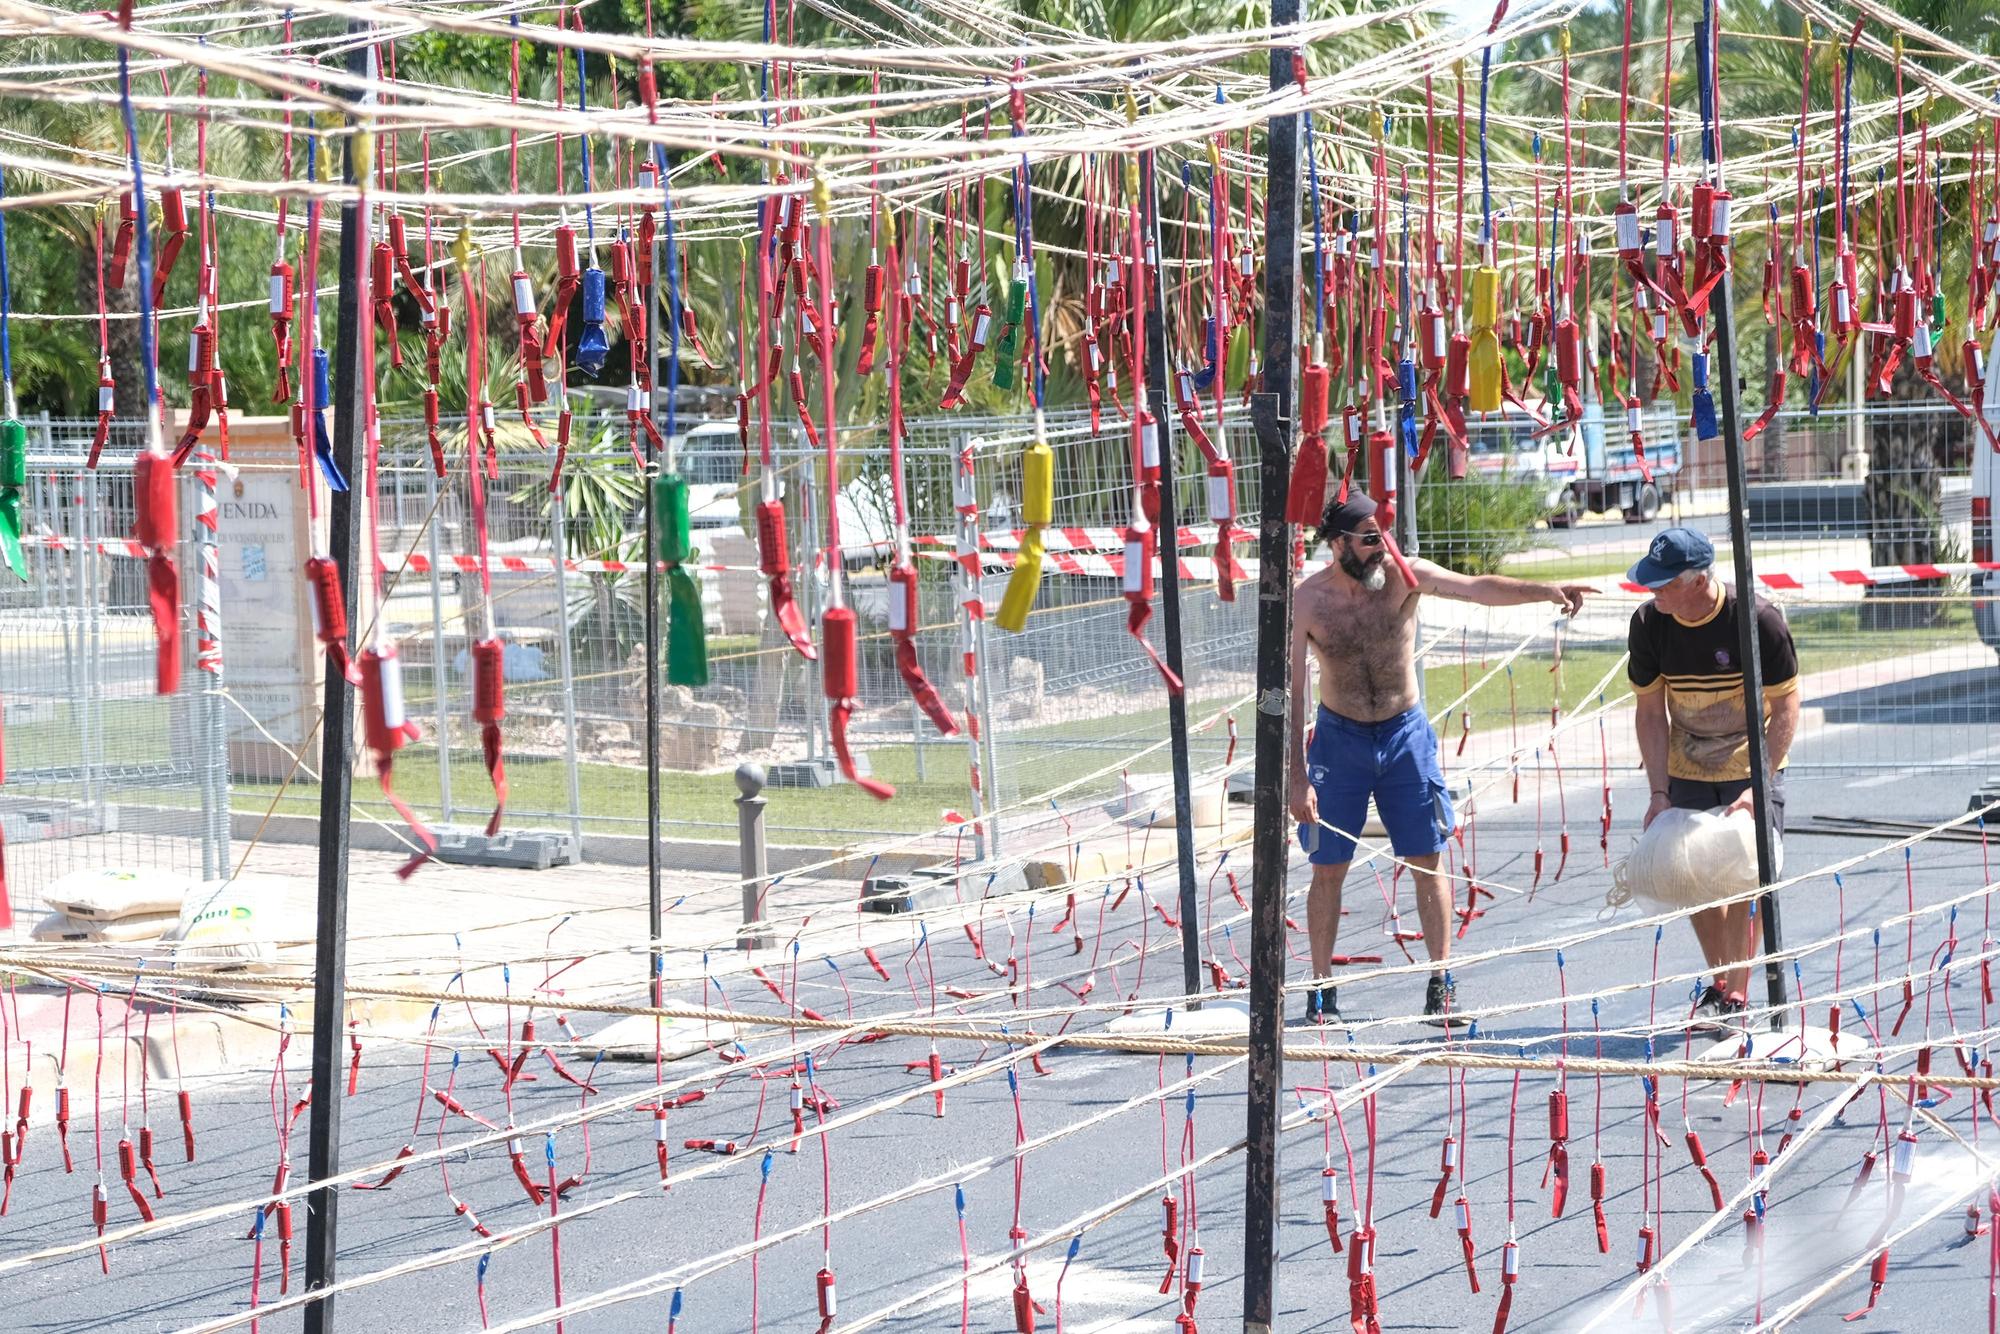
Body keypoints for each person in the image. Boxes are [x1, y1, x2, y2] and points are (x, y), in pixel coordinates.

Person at [1287, 493, 1594, 1024]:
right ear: (1337, 545)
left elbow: (1477, 589)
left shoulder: (1404, 574)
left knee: (1426, 859)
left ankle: (1441, 981)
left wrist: (1547, 591)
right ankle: (1321, 989)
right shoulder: (1308, 602)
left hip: (1405, 735)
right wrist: (1295, 775)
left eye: (1381, 533)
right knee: (1328, 865)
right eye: (1367, 539)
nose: (1380, 546)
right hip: (1340, 740)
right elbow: (1288, 692)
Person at [1626, 526, 1800, 1029]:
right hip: (1687, 759)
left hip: (1751, 760)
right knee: (1689, 873)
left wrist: (1759, 784)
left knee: (1748, 869)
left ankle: (1736, 995)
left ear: (1699, 580)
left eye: (1663, 582)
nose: (1651, 591)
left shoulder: (1756, 619)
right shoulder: (1649, 623)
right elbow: (1650, 712)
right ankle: (1724, 986)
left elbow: (1787, 706)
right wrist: (1659, 792)